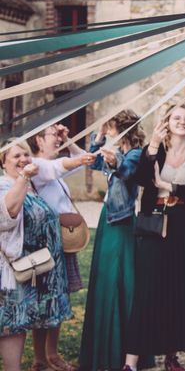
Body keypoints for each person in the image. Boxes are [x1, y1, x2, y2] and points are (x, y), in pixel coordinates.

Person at [123, 104, 185, 371]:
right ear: (167, 123)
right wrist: (151, 146)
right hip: (155, 226)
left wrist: (168, 186)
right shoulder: (154, 152)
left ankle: (171, 356)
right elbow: (139, 179)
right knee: (147, 290)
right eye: (176, 117)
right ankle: (131, 362)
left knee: (177, 290)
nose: (181, 121)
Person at [0, 140, 87, 371]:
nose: (23, 160)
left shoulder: (32, 184)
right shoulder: (4, 185)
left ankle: (42, 361)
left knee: (40, 317)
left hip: (43, 267)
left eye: (25, 155)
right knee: (14, 323)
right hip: (18, 267)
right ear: (3, 162)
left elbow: (57, 166)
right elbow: (7, 214)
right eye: (16, 156)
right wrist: (22, 178)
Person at [79, 110, 154, 371]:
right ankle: (103, 347)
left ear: (120, 128)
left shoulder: (134, 153)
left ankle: (124, 349)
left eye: (109, 126)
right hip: (108, 219)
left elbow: (126, 171)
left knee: (120, 278)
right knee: (105, 278)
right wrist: (98, 139)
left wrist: (113, 161)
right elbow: (92, 162)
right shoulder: (114, 148)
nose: (107, 129)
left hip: (121, 222)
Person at [27, 124, 94, 371]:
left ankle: (51, 355)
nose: (56, 140)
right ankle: (41, 358)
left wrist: (67, 140)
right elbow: (58, 167)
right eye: (53, 135)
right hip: (44, 245)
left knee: (58, 298)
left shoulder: (53, 169)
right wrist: (75, 159)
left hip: (61, 244)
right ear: (38, 140)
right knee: (43, 299)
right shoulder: (36, 166)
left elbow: (79, 160)